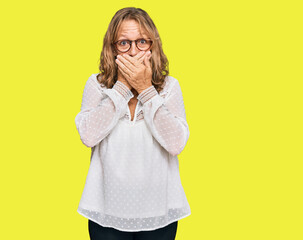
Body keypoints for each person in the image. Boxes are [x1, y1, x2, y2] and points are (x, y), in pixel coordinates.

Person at [75, 7, 191, 240]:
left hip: (159, 212)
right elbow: (88, 136)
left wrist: (146, 89)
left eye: (141, 42)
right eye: (124, 43)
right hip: (105, 212)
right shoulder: (96, 85)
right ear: (112, 47)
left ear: (153, 44)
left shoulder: (169, 87)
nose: (133, 51)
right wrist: (123, 86)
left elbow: (176, 143)